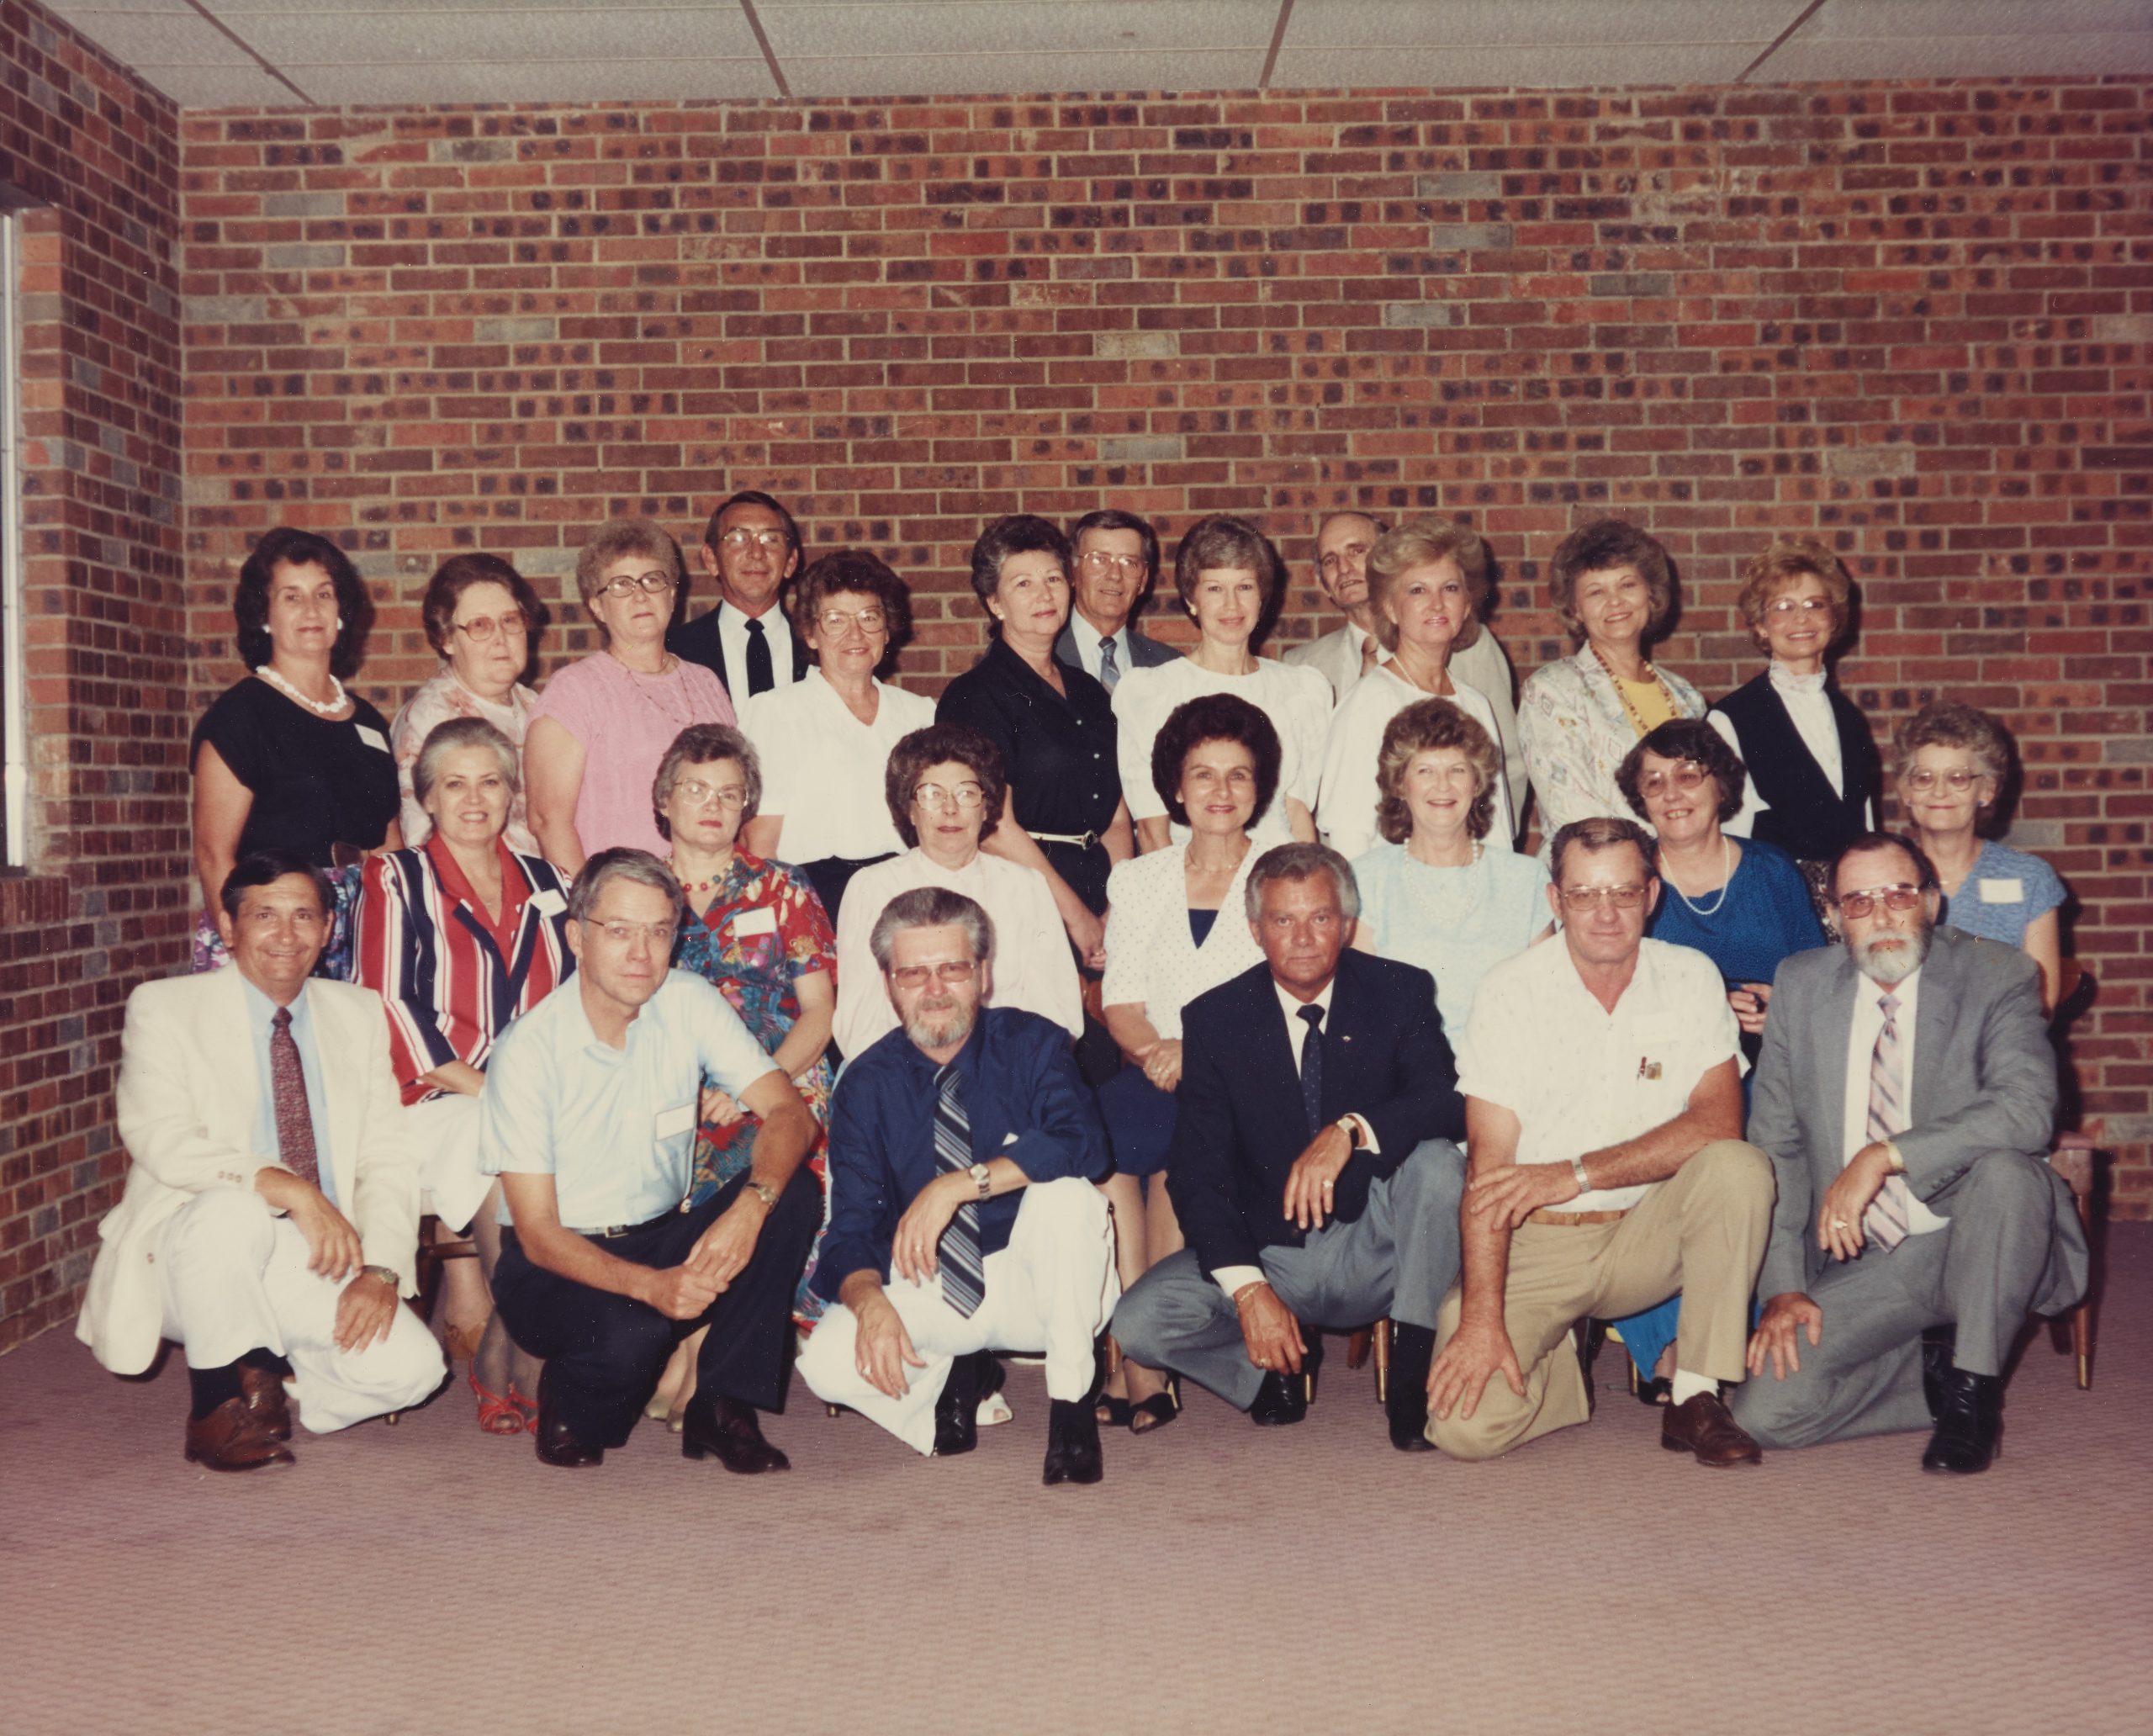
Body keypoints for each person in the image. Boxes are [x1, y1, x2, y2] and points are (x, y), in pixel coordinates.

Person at [77, 851, 447, 1471]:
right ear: (228, 927)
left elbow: (387, 1154)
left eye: (304, 916)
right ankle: (215, 1408)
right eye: (264, 915)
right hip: (188, 1248)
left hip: (312, 1255)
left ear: (328, 930)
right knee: (233, 1211)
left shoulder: (356, 1014)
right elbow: (159, 1135)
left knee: (414, 1372)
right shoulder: (166, 1006)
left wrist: (380, 1270)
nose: (286, 934)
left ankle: (267, 1365)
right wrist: (289, 1189)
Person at [1732, 833, 2087, 1473]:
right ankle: (1935, 1373)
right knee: (1766, 1414)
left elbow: (2029, 1110)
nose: (1884, 915)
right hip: (1869, 1259)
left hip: (1977, 1233)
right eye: (1860, 902)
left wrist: (1882, 1156)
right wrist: (1783, 1286)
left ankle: (1973, 1396)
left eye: (1899, 894)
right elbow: (1776, 1147)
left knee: (2008, 1173)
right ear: (1835, 919)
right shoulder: (1803, 986)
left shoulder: (1998, 973)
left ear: (1931, 902)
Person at [1426, 817, 1775, 1466]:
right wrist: (1481, 1318)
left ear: (1652, 893)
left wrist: (1575, 1173)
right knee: (1465, 1431)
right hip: (1538, 1241)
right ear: (1556, 901)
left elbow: (1718, 1122)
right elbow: (1490, 1172)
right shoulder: (1510, 989)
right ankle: (1559, 1360)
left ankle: (1695, 1394)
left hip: (1649, 1228)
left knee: (1738, 1167)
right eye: (1585, 895)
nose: (1606, 913)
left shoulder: (1691, 975)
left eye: (1623, 892)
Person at [1110, 844, 1469, 1453]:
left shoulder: (1399, 990)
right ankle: (1272, 1375)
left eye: (1321, 918)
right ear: (1255, 930)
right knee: (1139, 1323)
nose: (1303, 938)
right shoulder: (1216, 1019)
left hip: (1378, 1244)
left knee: (1439, 1163)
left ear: (1347, 924)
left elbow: (1445, 1100)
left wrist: (1350, 1130)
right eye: (1283, 920)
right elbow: (1196, 1174)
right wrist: (1250, 1292)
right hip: (1273, 1252)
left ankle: (1413, 1382)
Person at [477, 849, 822, 1470]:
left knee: (790, 1194)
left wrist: (752, 1206)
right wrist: (655, 1290)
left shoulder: (687, 1001)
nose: (642, 953)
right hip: (554, 1264)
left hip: (659, 1233)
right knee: (628, 1339)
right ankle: (570, 1394)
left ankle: (720, 1404)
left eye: (659, 932)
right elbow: (537, 1234)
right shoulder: (528, 1051)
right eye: (620, 931)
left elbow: (790, 1114)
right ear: (578, 937)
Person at [796, 889, 1118, 1483]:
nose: (935, 989)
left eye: (953, 968)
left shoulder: (1033, 1043)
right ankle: (957, 1374)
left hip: (1045, 1286)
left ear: (983, 974)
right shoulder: (865, 1084)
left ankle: (1071, 1405)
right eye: (914, 973)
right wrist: (869, 1304)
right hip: (933, 1284)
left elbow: (1086, 1145)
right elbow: (851, 1227)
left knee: (1069, 1196)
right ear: (889, 983)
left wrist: (957, 1186)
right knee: (826, 1363)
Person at [354, 717, 574, 1435]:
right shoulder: (396, 877)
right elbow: (387, 1001)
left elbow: (579, 998)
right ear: (427, 798)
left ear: (512, 794)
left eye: (490, 782)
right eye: (455, 784)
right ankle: (532, 1354)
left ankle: (500, 1349)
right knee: (502, 1135)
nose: (475, 799)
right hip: (436, 1095)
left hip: (537, 1096)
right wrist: (493, 1090)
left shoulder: (550, 882)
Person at [1606, 717, 1824, 1399]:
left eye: (1688, 774)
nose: (1673, 793)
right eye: (1654, 782)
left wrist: (1777, 1006)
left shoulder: (1769, 870)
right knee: (1647, 1154)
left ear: (1720, 784)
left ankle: (1739, 1325)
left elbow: (1819, 980)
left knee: (1759, 1160)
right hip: (1654, 1077)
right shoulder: (1629, 878)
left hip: (1766, 1069)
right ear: (1639, 800)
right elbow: (1595, 990)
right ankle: (1668, 1341)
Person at [643, 723, 838, 1426]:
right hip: (667, 1085)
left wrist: (751, 1083)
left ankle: (706, 1350)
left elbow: (818, 1014)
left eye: (730, 793)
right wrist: (688, 1092)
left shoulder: (782, 889)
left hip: (780, 1076)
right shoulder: (634, 889)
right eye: (695, 790)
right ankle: (690, 1337)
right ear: (664, 799)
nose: (712, 805)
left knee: (769, 1145)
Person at [1093, 695, 1275, 1432]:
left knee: (1178, 1157)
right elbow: (1120, 1001)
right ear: (1175, 787)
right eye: (1204, 775)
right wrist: (1155, 1054)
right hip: (1148, 1068)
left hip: (1247, 1080)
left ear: (1259, 787)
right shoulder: (1138, 880)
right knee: (1102, 1158)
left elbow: (1295, 994)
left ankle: (1139, 1355)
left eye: (1238, 775)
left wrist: (1193, 1055)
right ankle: (1136, 1352)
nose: (1221, 793)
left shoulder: (1286, 874)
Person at [190, 528, 402, 977]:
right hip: (276, 929)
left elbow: (387, 843)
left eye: (323, 594)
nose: (311, 610)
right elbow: (213, 854)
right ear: (264, 615)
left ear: (341, 609)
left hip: (364, 926)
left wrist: (399, 931)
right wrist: (240, 944)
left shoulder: (366, 721)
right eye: (292, 597)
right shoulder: (240, 716)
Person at [938, 514, 1134, 976]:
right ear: (995, 602)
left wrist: (1117, 909)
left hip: (1106, 893)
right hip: (1026, 895)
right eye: (1023, 584)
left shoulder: (1088, 690)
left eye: (1052, 579)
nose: (1044, 595)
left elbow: (1117, 817)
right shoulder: (974, 696)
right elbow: (996, 827)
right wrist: (1081, 921)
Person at [832, 723, 1083, 1058]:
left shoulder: (1026, 885)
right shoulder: (871, 888)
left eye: (966, 793)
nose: (950, 809)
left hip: (1008, 1070)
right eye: (932, 794)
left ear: (986, 807)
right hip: (903, 1075)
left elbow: (1057, 1011)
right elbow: (859, 1023)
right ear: (909, 809)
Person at [735, 549, 935, 928]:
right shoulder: (775, 711)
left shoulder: (921, 713)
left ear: (887, 629)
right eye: (835, 619)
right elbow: (759, 843)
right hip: (815, 901)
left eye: (869, 618)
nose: (855, 634)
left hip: (908, 896)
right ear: (810, 634)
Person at [525, 516, 735, 872]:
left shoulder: (706, 682)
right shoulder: (575, 690)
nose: (640, 594)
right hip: (622, 904)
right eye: (621, 584)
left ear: (671, 594)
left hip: (711, 898)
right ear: (596, 606)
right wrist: (592, 911)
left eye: (653, 580)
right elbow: (548, 820)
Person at [1112, 514, 1330, 852]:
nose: (1232, 605)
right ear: (1191, 600)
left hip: (1276, 877)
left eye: (1244, 587)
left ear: (1262, 597)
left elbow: (1298, 814)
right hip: (1193, 880)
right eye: (1215, 588)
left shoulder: (1301, 689)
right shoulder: (1151, 693)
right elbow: (1154, 832)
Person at [1286, 509, 1525, 816]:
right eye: (1330, 561)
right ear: (1322, 582)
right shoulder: (1304, 666)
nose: (1344, 568)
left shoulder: (1471, 649)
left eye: (1357, 551)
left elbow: (1506, 766)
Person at [1349, 699, 1550, 1042]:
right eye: (1425, 770)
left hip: (1504, 1068)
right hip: (1404, 1076)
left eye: (1457, 770)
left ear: (1477, 783)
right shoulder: (1365, 879)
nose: (1443, 785)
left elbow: (1545, 1002)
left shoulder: (1527, 879)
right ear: (1400, 785)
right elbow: (1360, 1009)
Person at [1519, 519, 1706, 844]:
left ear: (1650, 594)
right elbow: (1572, 813)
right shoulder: (1551, 691)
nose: (1615, 601)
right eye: (1596, 592)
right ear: (1576, 609)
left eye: (1627, 585)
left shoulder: (1687, 697)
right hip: (1598, 881)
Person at [1706, 537, 1881, 870]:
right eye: (1783, 607)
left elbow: (1865, 826)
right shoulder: (1732, 720)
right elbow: (1728, 843)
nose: (1801, 619)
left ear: (1834, 618)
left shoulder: (1850, 718)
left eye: (1815, 604)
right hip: (1778, 898)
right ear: (1761, 625)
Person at [1893, 701, 2066, 1014]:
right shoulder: (1885, 875)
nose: (1939, 791)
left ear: (1986, 790)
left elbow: (2042, 1002)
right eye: (1924, 777)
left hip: (1999, 1051)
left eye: (1958, 778)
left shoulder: (2030, 879)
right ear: (1906, 791)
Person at [389, 552, 548, 857]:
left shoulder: (534, 704)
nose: (500, 638)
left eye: (510, 620)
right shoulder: (432, 718)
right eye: (480, 625)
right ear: (447, 639)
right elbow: (422, 840)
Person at [668, 490, 812, 701]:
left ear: (790, 562)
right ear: (711, 560)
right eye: (738, 538)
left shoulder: (819, 647)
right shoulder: (674, 650)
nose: (756, 552)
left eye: (771, 539)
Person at [1054, 507, 1179, 688]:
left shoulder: (1168, 666)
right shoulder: (1040, 655)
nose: (1114, 575)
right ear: (1073, 571)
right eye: (1099, 559)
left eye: (1129, 562)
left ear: (1143, 580)